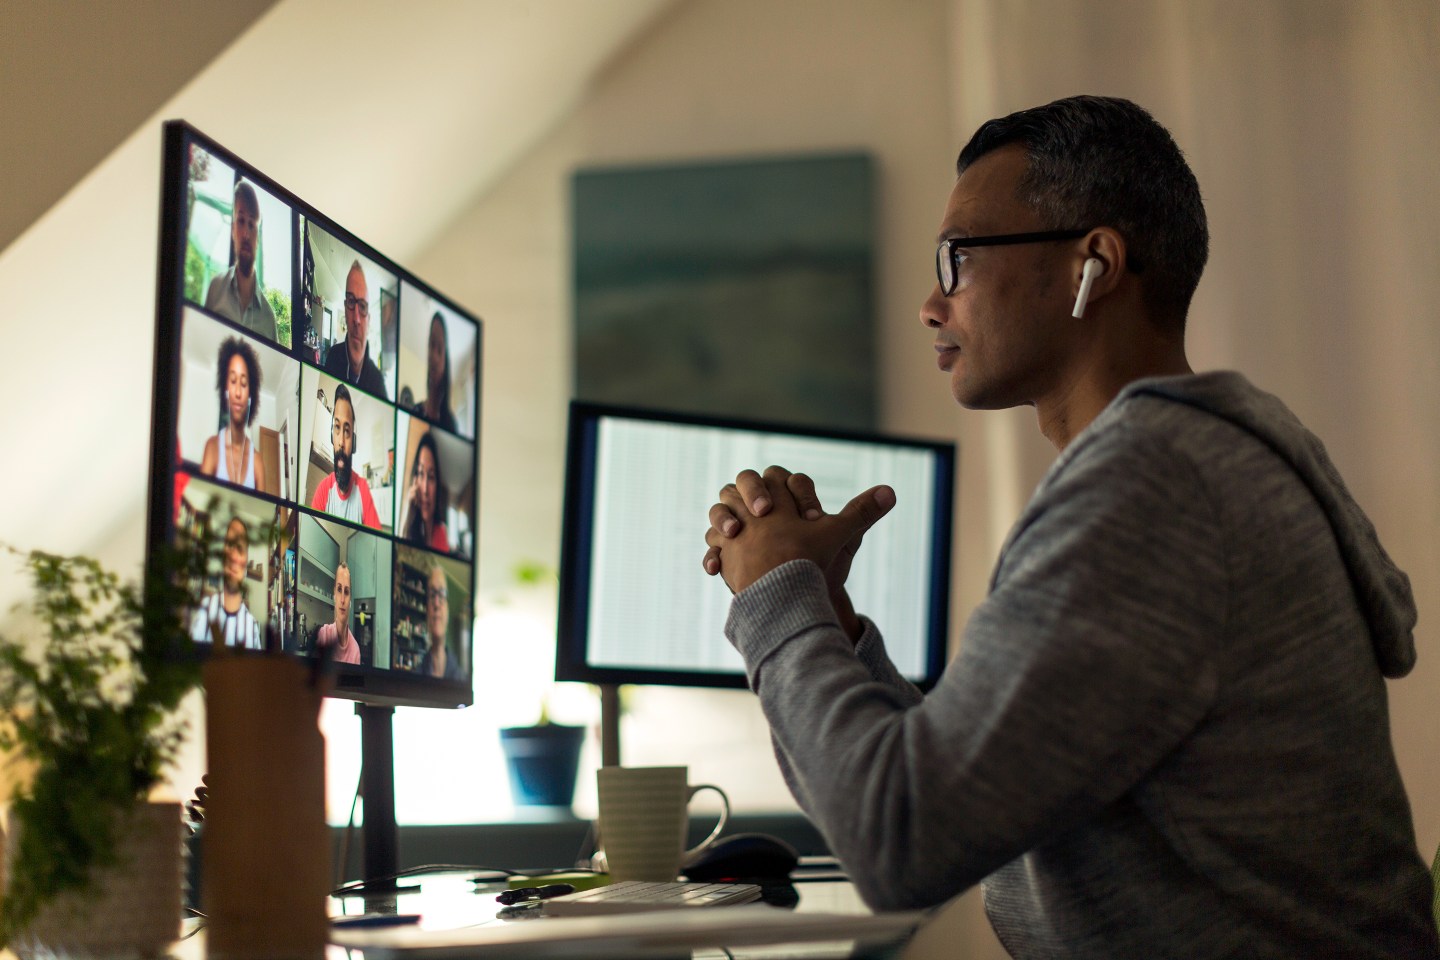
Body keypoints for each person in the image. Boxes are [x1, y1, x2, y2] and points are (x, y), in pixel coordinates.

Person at [701, 95, 1438, 957]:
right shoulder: (1189, 463)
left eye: (959, 259)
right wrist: (827, 615)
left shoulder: (1153, 489)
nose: (931, 305)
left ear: (1095, 263)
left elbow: (900, 840)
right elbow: (974, 793)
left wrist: (777, 598)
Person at [204, 179, 279, 342]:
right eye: (241, 221)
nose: (246, 233)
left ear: (257, 239)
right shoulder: (215, 289)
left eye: (252, 224)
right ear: (233, 230)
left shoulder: (269, 318)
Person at [199, 337, 266, 491]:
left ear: (251, 394)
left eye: (243, 383)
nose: (237, 392)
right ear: (225, 389)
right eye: (232, 381)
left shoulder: (257, 462)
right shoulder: (212, 448)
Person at [310, 384, 381, 528]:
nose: (341, 442)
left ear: (353, 443)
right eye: (337, 428)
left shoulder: (363, 491)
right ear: (332, 436)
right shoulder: (323, 491)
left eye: (347, 431)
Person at [189, 516, 262, 650]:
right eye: (230, 545)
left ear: (246, 562)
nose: (234, 557)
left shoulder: (252, 628)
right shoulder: (203, 612)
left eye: (240, 548)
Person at [323, 260, 388, 398]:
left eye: (363, 306)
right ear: (345, 309)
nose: (357, 319)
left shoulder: (378, 383)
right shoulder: (332, 356)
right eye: (351, 302)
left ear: (368, 319)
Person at [401, 431, 449, 552]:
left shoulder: (442, 532)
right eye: (421, 474)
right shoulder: (409, 530)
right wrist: (410, 512)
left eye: (431, 477)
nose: (425, 489)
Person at [414, 311, 458, 433]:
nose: (434, 356)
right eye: (431, 344)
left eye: (439, 349)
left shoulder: (451, 424)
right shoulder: (415, 410)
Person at [418, 562, 460, 679]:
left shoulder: (461, 678)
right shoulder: (415, 676)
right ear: (427, 611)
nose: (436, 603)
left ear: (448, 610)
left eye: (441, 594)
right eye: (432, 595)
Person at [314, 562, 361, 664]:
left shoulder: (355, 651)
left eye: (347, 592)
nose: (343, 600)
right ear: (334, 594)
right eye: (339, 590)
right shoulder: (323, 635)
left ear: (350, 601)